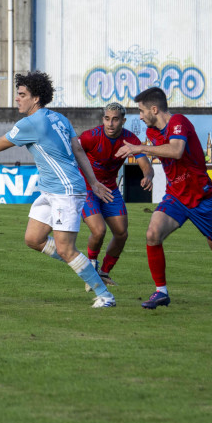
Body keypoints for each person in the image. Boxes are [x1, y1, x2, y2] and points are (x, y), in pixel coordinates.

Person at [0, 70, 118, 308]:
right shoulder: (60, 118)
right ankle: (81, 264)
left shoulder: (30, 123)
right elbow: (78, 151)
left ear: (36, 98)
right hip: (52, 190)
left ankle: (105, 295)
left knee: (65, 248)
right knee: (33, 239)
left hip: (65, 191)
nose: (17, 99)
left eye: (22, 94)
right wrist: (93, 182)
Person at [115, 87, 212, 313]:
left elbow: (176, 150)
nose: (140, 116)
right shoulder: (152, 133)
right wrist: (148, 173)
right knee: (152, 234)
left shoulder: (179, 121)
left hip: (202, 198)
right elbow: (158, 154)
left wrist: (139, 148)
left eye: (141, 111)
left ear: (154, 109)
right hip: (175, 197)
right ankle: (161, 292)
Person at [78, 102, 154, 290]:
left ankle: (104, 273)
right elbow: (72, 155)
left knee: (121, 233)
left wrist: (148, 176)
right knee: (99, 230)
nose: (110, 124)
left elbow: (145, 163)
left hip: (110, 189)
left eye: (115, 119)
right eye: (107, 119)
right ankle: (92, 267)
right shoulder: (90, 136)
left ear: (123, 121)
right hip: (87, 188)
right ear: (103, 119)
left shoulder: (130, 139)